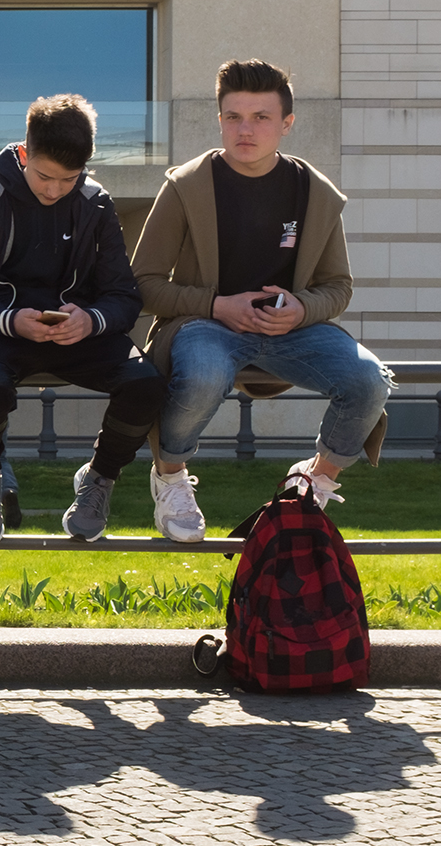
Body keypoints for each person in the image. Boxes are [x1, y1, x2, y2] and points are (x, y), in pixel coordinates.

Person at [131, 59, 392, 541]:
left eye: (260, 118)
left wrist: (302, 309)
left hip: (292, 330)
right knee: (204, 374)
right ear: (220, 120)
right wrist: (217, 306)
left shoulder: (314, 192)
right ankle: (170, 477)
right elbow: (142, 283)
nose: (245, 130)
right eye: (233, 117)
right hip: (205, 326)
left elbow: (338, 286)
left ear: (286, 124)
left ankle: (315, 480)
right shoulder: (186, 186)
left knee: (370, 380)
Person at [0, 94, 164, 543]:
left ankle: (99, 479)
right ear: (24, 152)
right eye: (44, 176)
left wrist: (91, 320)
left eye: (69, 179)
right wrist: (11, 321)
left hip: (77, 336)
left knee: (146, 383)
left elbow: (124, 297)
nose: (55, 190)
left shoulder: (97, 205)